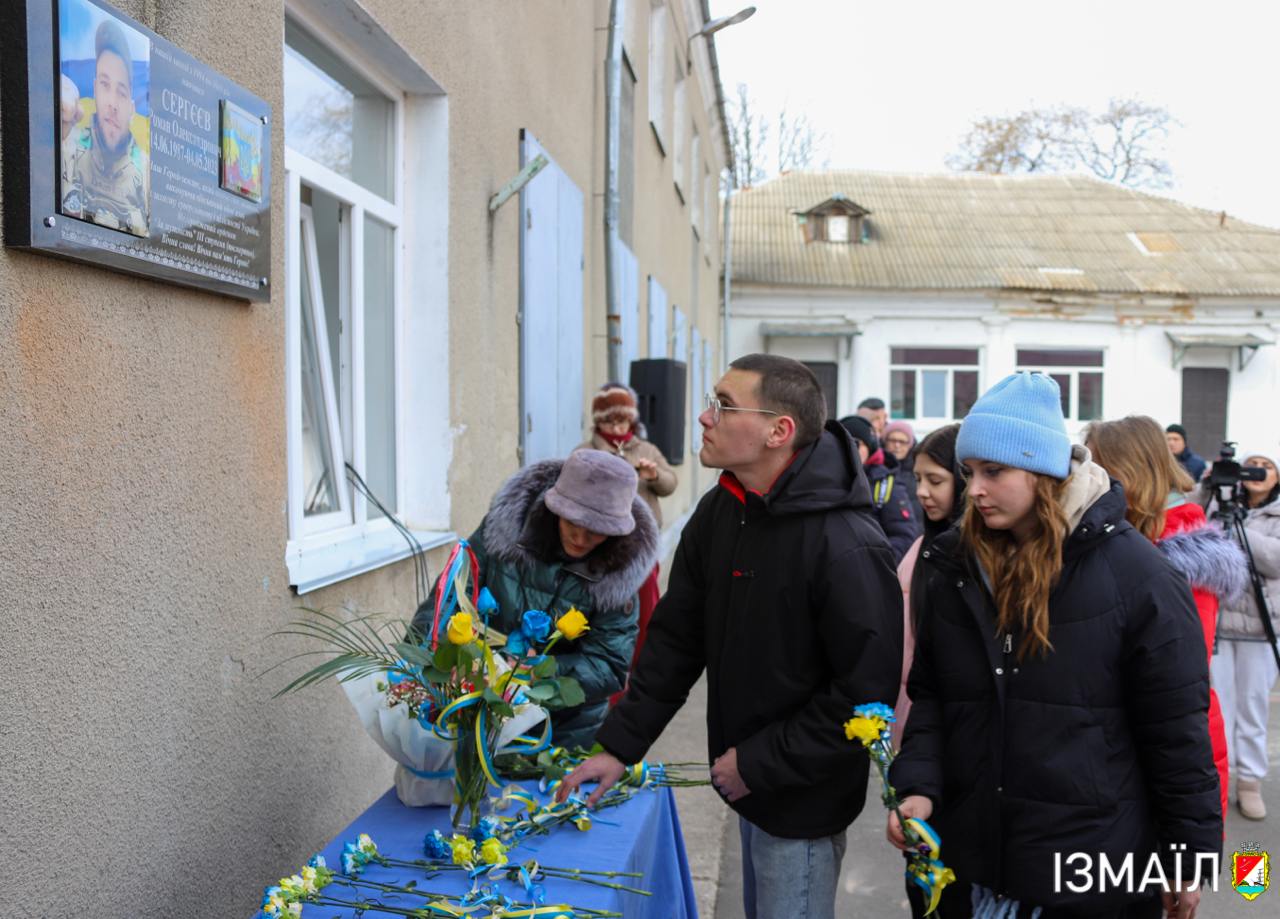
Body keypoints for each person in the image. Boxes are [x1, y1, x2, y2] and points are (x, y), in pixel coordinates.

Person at [558, 353, 903, 919]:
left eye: (722, 404)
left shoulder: (845, 542)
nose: (703, 417)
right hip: (746, 784)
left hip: (800, 804)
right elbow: (674, 641)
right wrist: (619, 746)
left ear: (778, 431)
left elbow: (866, 693)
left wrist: (760, 762)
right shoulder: (723, 510)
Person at [888, 373, 1221, 919]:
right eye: (970, 472)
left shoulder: (1141, 577)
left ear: (1043, 471)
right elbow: (935, 698)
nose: (973, 490)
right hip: (971, 866)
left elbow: (1177, 733)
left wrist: (1185, 860)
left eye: (994, 472)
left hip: (1089, 873)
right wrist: (918, 786)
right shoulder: (957, 566)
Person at [410, 449, 658, 748]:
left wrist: (536, 672)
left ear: (617, 531)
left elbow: (608, 666)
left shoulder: (618, 574)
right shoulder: (503, 532)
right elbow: (448, 600)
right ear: (554, 509)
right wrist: (430, 664)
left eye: (594, 532)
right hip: (476, 710)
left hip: (564, 731)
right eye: (571, 525)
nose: (580, 539)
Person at [1086, 415, 1244, 828]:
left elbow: (1174, 677)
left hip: (1168, 751)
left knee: (1163, 881)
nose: (1086, 480)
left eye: (1096, 468)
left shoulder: (1175, 557)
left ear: (1128, 473)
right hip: (1137, 749)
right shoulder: (1123, 539)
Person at [576, 383, 677, 704]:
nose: (617, 428)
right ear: (598, 423)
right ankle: (609, 671)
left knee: (646, 606)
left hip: (641, 545)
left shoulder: (645, 449)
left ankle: (642, 669)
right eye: (610, 422)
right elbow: (576, 488)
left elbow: (670, 483)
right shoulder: (587, 452)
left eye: (623, 421)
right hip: (603, 545)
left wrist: (654, 475)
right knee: (607, 607)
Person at [1194, 448, 1280, 820]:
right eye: (1252, 464)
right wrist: (1208, 487)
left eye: (1267, 467)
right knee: (1220, 709)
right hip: (1222, 626)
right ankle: (1219, 779)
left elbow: (1276, 561)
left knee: (1253, 708)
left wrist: (1240, 529)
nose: (1258, 472)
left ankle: (1249, 782)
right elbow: (1195, 528)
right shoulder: (1221, 501)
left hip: (1262, 628)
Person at [891, 422, 964, 749]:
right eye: (918, 479)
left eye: (935, 481)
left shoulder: (977, 557)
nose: (921, 491)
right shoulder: (920, 547)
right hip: (908, 718)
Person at [63, 19, 150, 237]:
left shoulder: (148, 175)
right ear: (95, 90)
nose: (112, 103)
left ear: (131, 108)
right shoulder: (67, 147)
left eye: (121, 92)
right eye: (104, 85)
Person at [840, 414, 921, 562]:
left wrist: (875, 564)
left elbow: (904, 534)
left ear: (869, 447)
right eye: (843, 443)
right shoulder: (824, 477)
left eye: (856, 443)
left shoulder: (886, 481)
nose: (850, 448)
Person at [883, 419, 923, 522]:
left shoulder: (919, 471)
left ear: (910, 444)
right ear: (885, 442)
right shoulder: (877, 471)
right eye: (892, 440)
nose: (897, 445)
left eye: (902, 442)